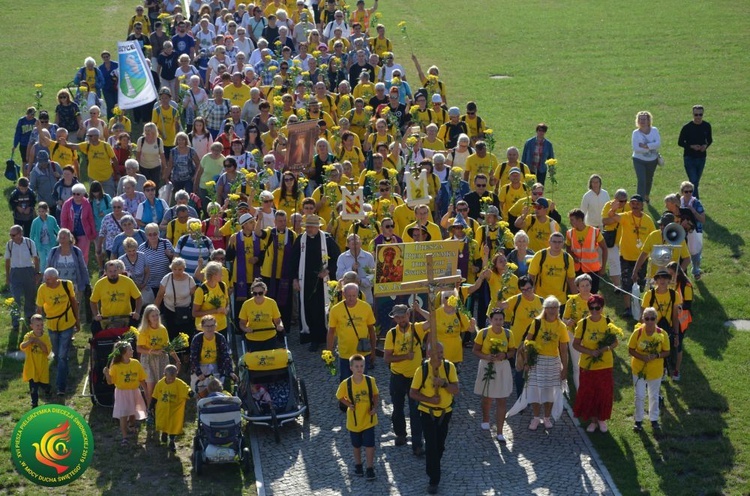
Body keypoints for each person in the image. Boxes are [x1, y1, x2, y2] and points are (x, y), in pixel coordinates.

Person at [409, 341, 459, 495]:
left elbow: (455, 389)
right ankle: (434, 479)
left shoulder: (449, 367)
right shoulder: (422, 370)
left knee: (440, 445)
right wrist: (430, 400)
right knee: (431, 445)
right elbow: (413, 393)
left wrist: (443, 383)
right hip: (427, 412)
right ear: (429, 354)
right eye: (438, 353)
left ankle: (434, 464)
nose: (441, 356)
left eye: (442, 353)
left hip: (445, 412)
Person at [519, 296, 569, 431]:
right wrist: (528, 360)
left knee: (550, 391)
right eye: (550, 308)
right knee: (535, 390)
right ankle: (536, 417)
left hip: (553, 361)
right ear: (545, 309)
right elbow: (527, 342)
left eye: (555, 308)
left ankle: (547, 417)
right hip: (537, 360)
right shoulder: (536, 323)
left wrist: (564, 368)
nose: (553, 310)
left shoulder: (562, 326)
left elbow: (563, 350)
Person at [383, 304, 427, 456]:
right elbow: (387, 358)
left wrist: (420, 310)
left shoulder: (418, 328)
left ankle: (417, 444)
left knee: (416, 411)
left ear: (408, 314)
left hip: (416, 377)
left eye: (403, 316)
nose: (400, 319)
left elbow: (434, 320)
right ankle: (400, 434)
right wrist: (405, 357)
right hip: (397, 376)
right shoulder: (391, 334)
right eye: (397, 317)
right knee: (397, 409)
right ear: (394, 318)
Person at [293, 214, 341, 350]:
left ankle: (321, 337)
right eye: (307, 227)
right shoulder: (300, 240)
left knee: (320, 309)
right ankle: (310, 336)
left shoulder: (327, 239)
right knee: (307, 307)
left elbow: (337, 257)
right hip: (305, 280)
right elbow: (293, 261)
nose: (309, 229)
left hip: (322, 282)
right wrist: (295, 279)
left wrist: (328, 271)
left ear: (317, 227)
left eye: (312, 227)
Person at [572, 295, 618, 433]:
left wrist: (605, 348)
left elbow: (615, 342)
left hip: (605, 364)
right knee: (589, 392)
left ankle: (602, 419)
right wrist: (590, 352)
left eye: (597, 308)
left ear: (602, 308)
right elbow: (575, 344)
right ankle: (592, 420)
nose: (594, 311)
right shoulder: (583, 323)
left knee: (603, 392)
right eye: (591, 308)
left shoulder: (608, 322)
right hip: (587, 364)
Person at [472, 309, 515, 443]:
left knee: (502, 399)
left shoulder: (508, 334)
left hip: (502, 367)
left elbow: (512, 350)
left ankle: (500, 431)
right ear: (491, 320)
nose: (498, 322)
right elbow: (475, 350)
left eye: (500, 319)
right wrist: (486, 356)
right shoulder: (483, 333)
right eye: (495, 319)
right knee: (487, 396)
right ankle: (486, 419)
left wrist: (506, 355)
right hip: (487, 365)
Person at [35, 267, 78, 396]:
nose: (46, 281)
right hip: (52, 325)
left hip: (67, 323)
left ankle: (61, 386)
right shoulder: (42, 289)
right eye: (45, 279)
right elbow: (39, 308)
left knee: (62, 356)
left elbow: (74, 302)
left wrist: (78, 320)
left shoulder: (67, 285)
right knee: (57, 352)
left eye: (48, 279)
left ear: (56, 278)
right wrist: (39, 326)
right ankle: (65, 371)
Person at [336, 354, 379, 481]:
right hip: (354, 421)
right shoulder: (346, 383)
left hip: (368, 420)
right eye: (357, 366)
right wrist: (348, 404)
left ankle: (370, 468)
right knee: (356, 445)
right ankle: (358, 465)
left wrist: (375, 407)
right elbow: (339, 396)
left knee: (370, 444)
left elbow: (375, 394)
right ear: (351, 368)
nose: (359, 369)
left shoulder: (370, 381)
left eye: (362, 366)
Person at [628, 306, 670, 432]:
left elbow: (667, 351)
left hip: (655, 370)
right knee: (640, 395)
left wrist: (656, 355)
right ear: (643, 319)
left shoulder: (662, 334)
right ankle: (638, 420)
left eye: (652, 318)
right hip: (639, 369)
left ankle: (654, 419)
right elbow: (630, 349)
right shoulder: (638, 333)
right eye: (647, 318)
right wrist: (642, 357)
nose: (650, 321)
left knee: (654, 395)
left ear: (656, 319)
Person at [254, 210, 296, 331]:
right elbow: (257, 233)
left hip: (285, 274)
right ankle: (270, 326)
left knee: (285, 303)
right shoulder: (270, 233)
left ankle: (284, 328)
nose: (282, 223)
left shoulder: (292, 235)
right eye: (280, 221)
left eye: (284, 221)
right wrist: (259, 220)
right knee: (270, 301)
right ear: (275, 221)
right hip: (268, 274)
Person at [327, 282, 376, 380]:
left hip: (362, 352)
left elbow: (371, 329)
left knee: (362, 380)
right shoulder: (335, 310)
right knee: (345, 381)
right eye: (348, 295)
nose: (351, 298)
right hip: (345, 353)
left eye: (354, 295)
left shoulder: (366, 307)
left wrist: (373, 350)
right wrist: (329, 351)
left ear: (358, 294)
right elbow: (331, 331)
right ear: (343, 294)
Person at [103, 341, 148, 445]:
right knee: (123, 414)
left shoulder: (135, 363)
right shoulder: (116, 366)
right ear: (123, 352)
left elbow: (141, 378)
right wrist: (106, 374)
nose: (132, 351)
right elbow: (110, 382)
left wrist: (145, 390)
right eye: (130, 349)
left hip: (134, 391)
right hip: (122, 393)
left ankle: (131, 425)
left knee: (133, 412)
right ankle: (124, 437)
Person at [137, 304, 179, 409]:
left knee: (162, 385)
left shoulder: (162, 329)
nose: (155, 318)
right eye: (153, 316)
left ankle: (160, 408)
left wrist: (177, 359)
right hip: (149, 359)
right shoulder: (143, 330)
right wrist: (153, 352)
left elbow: (167, 345)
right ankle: (150, 410)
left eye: (157, 315)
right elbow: (139, 349)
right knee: (150, 386)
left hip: (162, 359)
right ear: (147, 318)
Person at [90, 259, 143, 332]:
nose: (113, 274)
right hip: (107, 319)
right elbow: (93, 301)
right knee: (95, 327)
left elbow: (138, 297)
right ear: (105, 272)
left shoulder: (127, 281)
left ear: (118, 270)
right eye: (110, 271)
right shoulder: (100, 284)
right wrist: (96, 314)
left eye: (115, 271)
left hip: (125, 317)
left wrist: (137, 312)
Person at [189, 315, 238, 393]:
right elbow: (193, 358)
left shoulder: (220, 338)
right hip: (201, 366)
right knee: (200, 392)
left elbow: (226, 355)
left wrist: (230, 371)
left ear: (215, 326)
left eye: (212, 325)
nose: (209, 328)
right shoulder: (197, 339)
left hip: (216, 366)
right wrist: (199, 373)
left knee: (216, 391)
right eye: (207, 326)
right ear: (202, 327)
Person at [5, 225, 40, 331]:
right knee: (16, 298)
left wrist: (36, 273)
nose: (11, 237)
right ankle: (15, 321)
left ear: (20, 234)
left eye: (13, 235)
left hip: (28, 270)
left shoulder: (29, 243)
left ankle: (29, 318)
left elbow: (36, 258)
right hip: (15, 272)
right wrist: (7, 276)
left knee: (30, 296)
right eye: (10, 234)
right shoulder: (10, 245)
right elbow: (7, 261)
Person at [150, 364, 192, 451]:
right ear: (164, 375)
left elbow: (186, 388)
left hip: (174, 409)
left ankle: (172, 441)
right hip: (163, 409)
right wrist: (151, 405)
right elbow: (155, 395)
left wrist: (189, 392)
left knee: (173, 425)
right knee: (164, 422)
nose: (171, 380)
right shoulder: (160, 383)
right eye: (169, 379)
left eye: (173, 379)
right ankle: (164, 432)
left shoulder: (179, 383)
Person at [566, 208, 608, 294]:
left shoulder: (595, 232)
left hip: (592, 269)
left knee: (592, 294)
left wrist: (603, 267)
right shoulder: (569, 233)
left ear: (580, 220)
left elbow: (604, 248)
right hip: (576, 269)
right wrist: (573, 257)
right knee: (577, 294)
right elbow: (568, 248)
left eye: (572, 220)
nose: (570, 222)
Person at [527, 232, 576, 305]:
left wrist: (575, 299)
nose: (557, 244)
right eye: (554, 242)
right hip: (541, 298)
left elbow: (571, 280)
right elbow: (531, 276)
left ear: (563, 243)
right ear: (549, 242)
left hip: (560, 300)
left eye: (559, 242)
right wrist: (531, 294)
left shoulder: (568, 258)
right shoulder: (540, 255)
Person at [239, 279, 284, 352]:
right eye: (254, 293)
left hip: (270, 337)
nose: (257, 296)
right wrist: (245, 329)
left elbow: (278, 320)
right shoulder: (246, 304)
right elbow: (242, 323)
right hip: (253, 338)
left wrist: (280, 325)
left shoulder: (271, 303)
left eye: (260, 293)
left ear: (265, 292)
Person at [678, 105, 712, 199]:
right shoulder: (687, 127)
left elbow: (709, 140)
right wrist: (691, 146)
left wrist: (705, 146)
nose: (698, 117)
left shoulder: (706, 126)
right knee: (693, 181)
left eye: (700, 114)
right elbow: (680, 142)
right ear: (693, 114)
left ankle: (689, 199)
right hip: (689, 157)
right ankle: (696, 202)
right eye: (696, 114)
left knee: (696, 181)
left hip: (701, 157)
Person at [59, 183, 96, 264]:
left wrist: (93, 232)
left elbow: (90, 218)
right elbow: (63, 220)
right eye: (73, 193)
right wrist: (65, 233)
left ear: (83, 194)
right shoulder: (67, 204)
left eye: (78, 194)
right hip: (71, 234)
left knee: (84, 255)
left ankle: (83, 271)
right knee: (72, 254)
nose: (75, 195)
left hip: (84, 233)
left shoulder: (86, 204)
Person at [600, 189, 630, 290]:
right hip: (611, 239)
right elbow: (605, 221)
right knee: (614, 262)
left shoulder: (629, 206)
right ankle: (617, 286)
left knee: (623, 262)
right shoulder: (608, 205)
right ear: (615, 199)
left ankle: (623, 281)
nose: (623, 203)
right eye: (621, 201)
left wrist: (613, 217)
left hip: (625, 239)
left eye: (625, 201)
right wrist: (617, 217)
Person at [193, 261, 230, 339]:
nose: (222, 275)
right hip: (205, 329)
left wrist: (226, 310)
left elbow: (227, 303)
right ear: (214, 275)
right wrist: (215, 311)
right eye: (220, 273)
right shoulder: (201, 290)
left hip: (221, 327)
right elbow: (195, 313)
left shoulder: (222, 285)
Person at [20, 314, 51, 408]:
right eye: (37, 325)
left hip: (42, 367)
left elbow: (47, 351)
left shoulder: (45, 337)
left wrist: (39, 342)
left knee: (43, 384)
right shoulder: (28, 336)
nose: (39, 327)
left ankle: (48, 389)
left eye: (41, 325)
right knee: (33, 386)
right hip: (31, 367)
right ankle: (34, 402)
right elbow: (22, 347)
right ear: (31, 326)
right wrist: (30, 341)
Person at [631, 111, 661, 202]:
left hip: (652, 160)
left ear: (649, 121)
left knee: (649, 179)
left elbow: (658, 144)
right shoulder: (635, 133)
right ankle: (639, 202)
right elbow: (636, 149)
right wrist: (651, 146)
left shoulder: (654, 130)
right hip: (638, 159)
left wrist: (645, 146)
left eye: (644, 119)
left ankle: (646, 195)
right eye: (640, 119)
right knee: (641, 180)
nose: (642, 121)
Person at [679, 181, 706, 279]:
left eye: (691, 191)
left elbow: (703, 219)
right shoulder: (678, 201)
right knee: (682, 252)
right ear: (682, 192)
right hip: (681, 230)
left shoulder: (696, 203)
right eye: (686, 191)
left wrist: (693, 211)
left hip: (694, 231)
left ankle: (696, 270)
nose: (689, 193)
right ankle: (682, 272)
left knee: (695, 252)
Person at [30, 203, 59, 271]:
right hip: (40, 244)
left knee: (50, 260)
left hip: (50, 243)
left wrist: (61, 235)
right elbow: (32, 234)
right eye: (39, 211)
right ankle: (43, 276)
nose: (41, 213)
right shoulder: (35, 221)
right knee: (42, 261)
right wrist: (32, 245)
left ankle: (51, 275)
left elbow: (56, 228)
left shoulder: (52, 219)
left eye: (42, 211)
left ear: (46, 211)